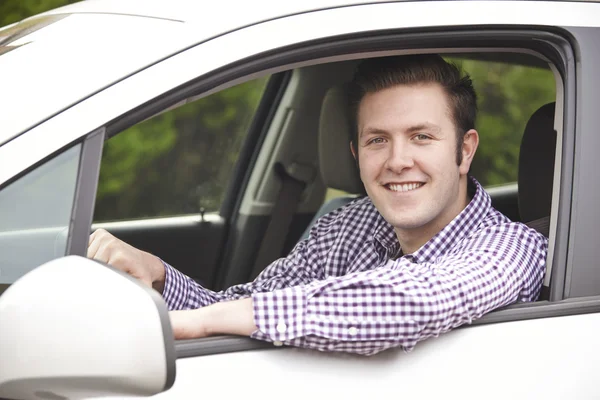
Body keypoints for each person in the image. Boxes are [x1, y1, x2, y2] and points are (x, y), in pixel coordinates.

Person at [87, 54, 548, 356]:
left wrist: (203, 320)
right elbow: (244, 309)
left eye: (422, 137)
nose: (397, 161)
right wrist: (159, 276)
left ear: (465, 151)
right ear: (356, 154)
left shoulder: (513, 249)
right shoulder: (349, 225)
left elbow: (411, 300)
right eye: (377, 140)